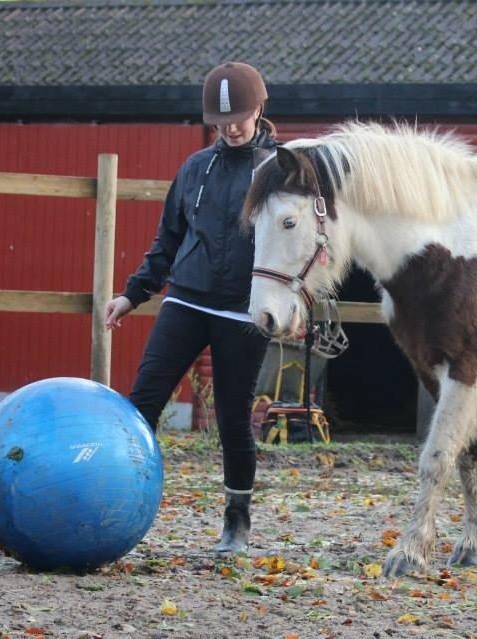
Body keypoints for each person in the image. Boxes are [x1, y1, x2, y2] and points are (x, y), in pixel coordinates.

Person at [104, 61, 275, 555]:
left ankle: (236, 521)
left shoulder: (279, 170)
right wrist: (133, 293)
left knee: (232, 419)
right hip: (185, 299)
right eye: (221, 120)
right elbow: (168, 240)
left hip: (243, 311)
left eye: (240, 116)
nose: (231, 127)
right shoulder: (195, 168)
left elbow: (299, 245)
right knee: (143, 404)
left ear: (259, 108)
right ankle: (119, 504)